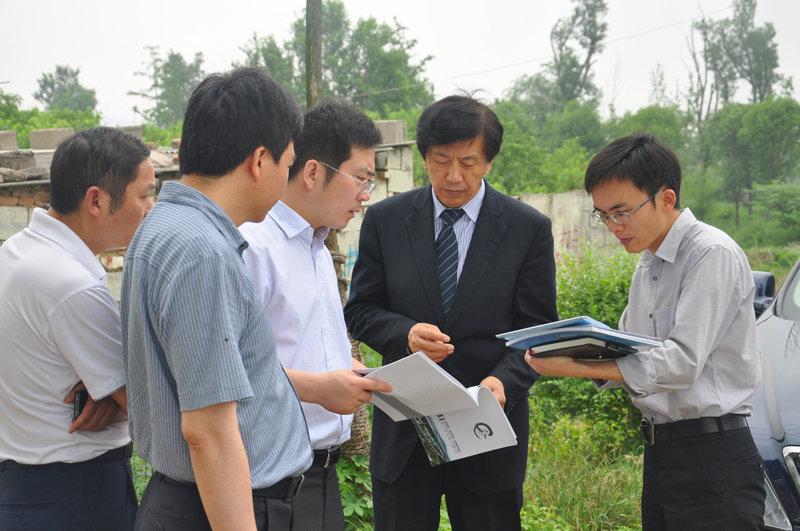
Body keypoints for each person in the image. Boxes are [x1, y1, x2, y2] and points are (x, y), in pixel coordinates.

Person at [526, 133, 765, 531]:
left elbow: (680, 362)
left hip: (713, 457)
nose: (612, 226)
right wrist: (573, 346)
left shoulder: (710, 253)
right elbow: (629, 346)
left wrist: (576, 367)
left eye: (621, 212)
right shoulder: (649, 262)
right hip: (662, 454)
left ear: (666, 199)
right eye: (602, 215)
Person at [344, 94, 559, 531]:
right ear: (424, 157)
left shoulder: (526, 229)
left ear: (490, 162)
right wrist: (404, 334)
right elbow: (361, 311)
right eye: (441, 160)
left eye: (469, 161)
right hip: (405, 428)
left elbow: (536, 330)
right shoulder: (386, 220)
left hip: (487, 427)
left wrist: (504, 382)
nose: (454, 176)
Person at [121, 67, 313, 531]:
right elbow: (208, 433)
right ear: (259, 160)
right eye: (288, 164)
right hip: (218, 509)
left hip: (192, 500)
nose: (287, 178)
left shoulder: (164, 227)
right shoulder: (201, 252)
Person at [239, 99, 392, 531]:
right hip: (267, 483)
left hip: (323, 474)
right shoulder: (253, 247)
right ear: (312, 172)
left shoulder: (321, 249)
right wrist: (318, 387)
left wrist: (347, 372)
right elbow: (226, 370)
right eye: (362, 180)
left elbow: (301, 346)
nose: (366, 195)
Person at [0, 127, 155, 531]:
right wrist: (117, 397)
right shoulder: (71, 286)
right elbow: (146, 405)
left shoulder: (15, 252)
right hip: (77, 492)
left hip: (24, 486)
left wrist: (106, 390)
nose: (150, 208)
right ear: (96, 200)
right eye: (143, 195)